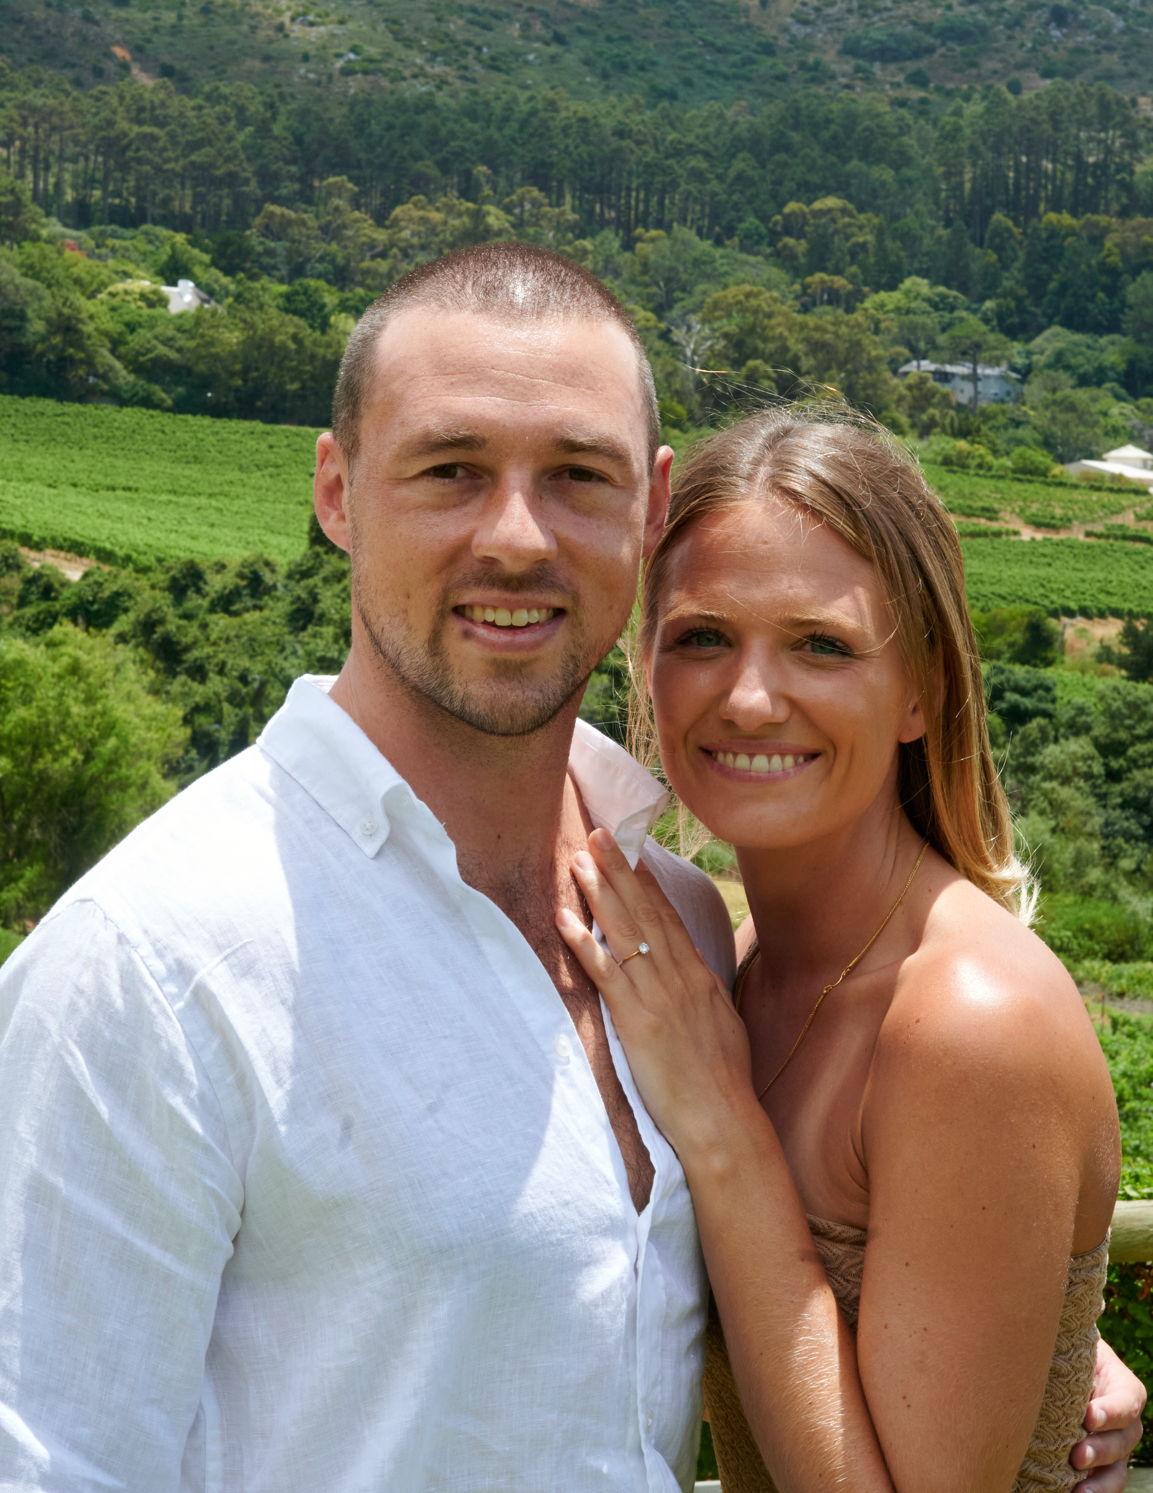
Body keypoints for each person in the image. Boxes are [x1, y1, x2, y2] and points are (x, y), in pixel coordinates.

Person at [0, 252, 1141, 1492]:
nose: (514, 535)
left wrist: (1043, 1335)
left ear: (647, 511)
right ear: (336, 491)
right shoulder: (151, 965)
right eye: (450, 469)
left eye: (577, 475)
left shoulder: (676, 931)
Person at [557, 408, 1147, 1493]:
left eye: (820, 644)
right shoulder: (732, 964)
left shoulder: (967, 1020)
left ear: (922, 688)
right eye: (702, 636)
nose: (748, 698)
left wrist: (723, 1132)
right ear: (646, 664)